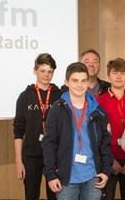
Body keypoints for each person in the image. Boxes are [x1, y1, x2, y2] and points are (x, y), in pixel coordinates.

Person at [43, 62, 112, 200]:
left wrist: (106, 170)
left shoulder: (97, 110)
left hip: (93, 176)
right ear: (66, 82)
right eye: (75, 81)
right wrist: (50, 174)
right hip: (66, 178)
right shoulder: (57, 109)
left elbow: (105, 142)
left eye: (83, 81)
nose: (80, 85)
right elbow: (49, 143)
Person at [13, 53, 61, 200]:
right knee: (31, 196)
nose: (46, 75)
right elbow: (18, 131)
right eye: (42, 71)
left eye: (50, 71)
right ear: (35, 71)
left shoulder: (59, 95)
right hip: (31, 157)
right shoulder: (25, 96)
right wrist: (18, 161)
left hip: (55, 155)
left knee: (55, 196)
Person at [97, 58, 125, 200]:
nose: (119, 76)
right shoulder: (99, 101)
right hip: (108, 158)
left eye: (122, 73)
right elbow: (97, 134)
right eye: (115, 73)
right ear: (109, 75)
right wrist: (110, 159)